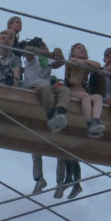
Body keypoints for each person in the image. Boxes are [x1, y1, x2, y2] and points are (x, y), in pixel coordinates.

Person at [22, 36, 70, 195]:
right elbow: (28, 50)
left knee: (64, 90)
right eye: (44, 45)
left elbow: (59, 63)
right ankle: (39, 179)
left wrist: (59, 54)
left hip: (48, 88)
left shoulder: (45, 60)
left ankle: (60, 112)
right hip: (35, 86)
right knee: (36, 145)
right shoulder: (32, 57)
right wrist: (47, 52)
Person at [64, 43, 104, 138]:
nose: (82, 50)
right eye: (79, 48)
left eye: (84, 49)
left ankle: (95, 120)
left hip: (82, 91)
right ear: (73, 52)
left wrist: (85, 62)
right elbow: (73, 62)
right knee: (85, 96)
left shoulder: (86, 64)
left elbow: (98, 65)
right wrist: (84, 62)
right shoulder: (71, 61)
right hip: (71, 90)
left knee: (98, 97)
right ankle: (89, 124)